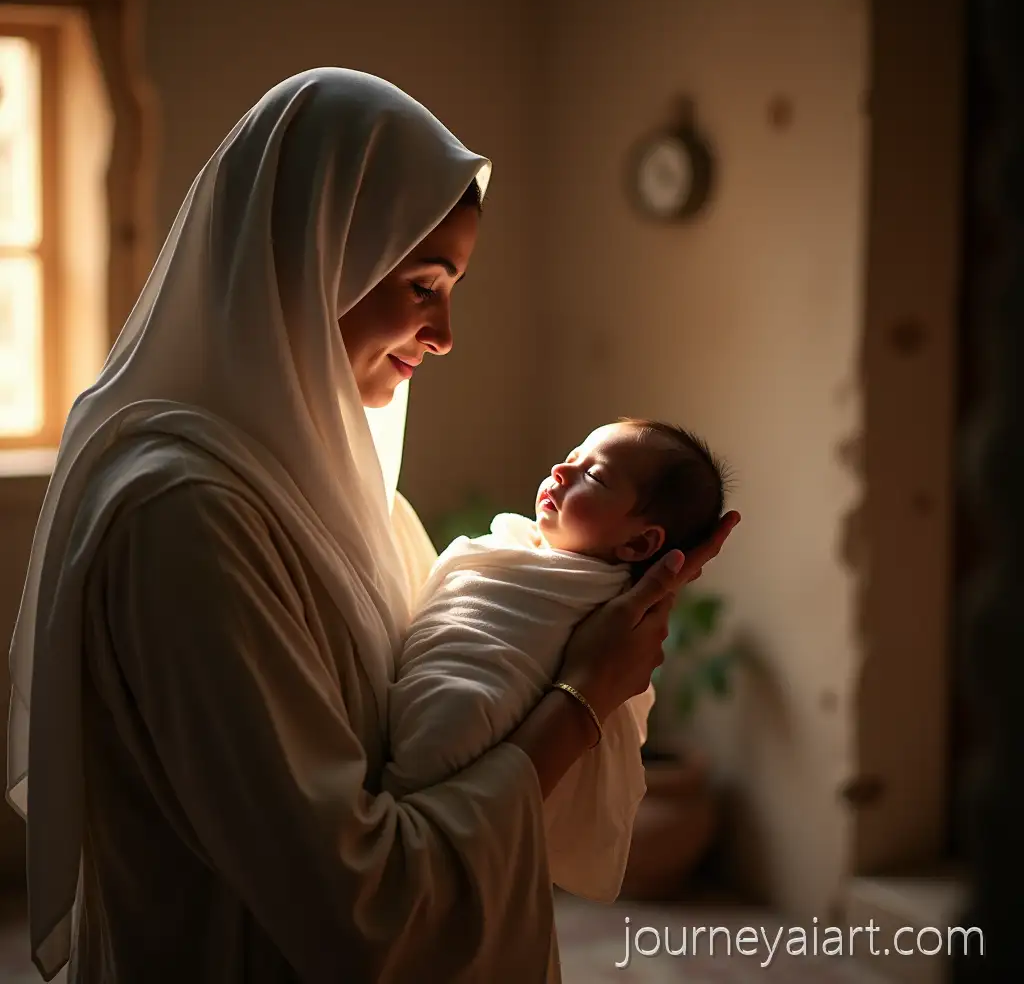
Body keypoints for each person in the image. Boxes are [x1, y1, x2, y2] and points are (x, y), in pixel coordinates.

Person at [5, 68, 740, 983]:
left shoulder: (340, 496)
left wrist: (598, 606)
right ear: (315, 261)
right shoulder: (183, 521)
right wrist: (585, 698)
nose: (443, 335)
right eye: (424, 285)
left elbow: (449, 729)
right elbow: (360, 902)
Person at [384, 418, 731, 903]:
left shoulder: (606, 601)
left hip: (472, 713)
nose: (562, 471)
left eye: (595, 476)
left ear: (637, 545)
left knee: (456, 712)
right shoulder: (517, 549)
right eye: (572, 457)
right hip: (452, 714)